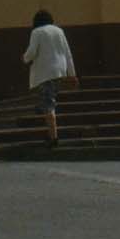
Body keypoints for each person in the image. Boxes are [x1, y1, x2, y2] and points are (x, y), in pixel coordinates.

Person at [22, 9, 77, 148]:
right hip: (59, 72)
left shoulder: (37, 32)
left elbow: (32, 52)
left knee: (48, 104)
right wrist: (72, 74)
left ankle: (53, 137)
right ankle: (51, 133)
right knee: (49, 101)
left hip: (45, 73)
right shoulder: (59, 31)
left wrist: (24, 58)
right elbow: (68, 53)